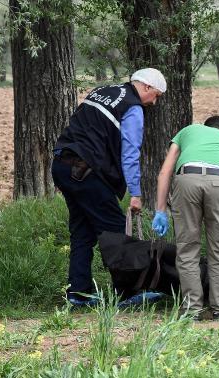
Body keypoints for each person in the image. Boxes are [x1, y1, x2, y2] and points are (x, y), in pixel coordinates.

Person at [52, 68, 166, 307]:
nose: (154, 102)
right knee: (115, 229)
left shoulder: (103, 91)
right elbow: (130, 153)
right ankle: (128, 293)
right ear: (145, 87)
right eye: (155, 95)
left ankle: (79, 293)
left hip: (63, 165)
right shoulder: (133, 107)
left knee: (82, 232)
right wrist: (135, 193)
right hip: (85, 170)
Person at [151, 115, 219, 320]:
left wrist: (160, 210)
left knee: (187, 250)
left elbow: (164, 172)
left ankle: (191, 311)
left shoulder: (188, 131)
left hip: (186, 179)